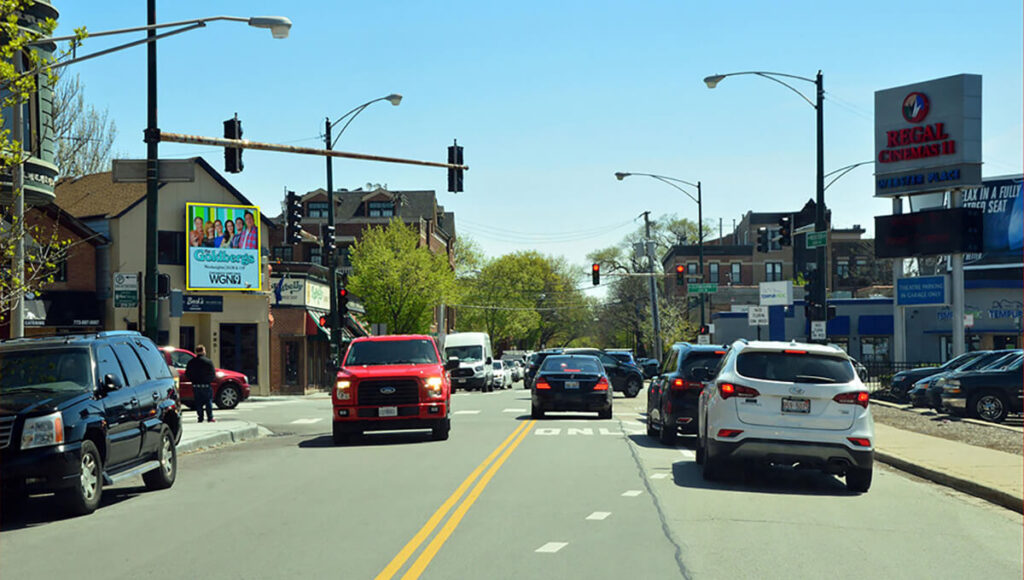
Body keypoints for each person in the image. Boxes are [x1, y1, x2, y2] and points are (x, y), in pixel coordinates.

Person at [185, 345, 217, 423]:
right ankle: (210, 417)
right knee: (208, 401)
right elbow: (213, 374)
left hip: (196, 385)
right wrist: (209, 380)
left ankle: (200, 417)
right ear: (203, 351)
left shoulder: (191, 362)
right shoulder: (208, 362)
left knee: (198, 402)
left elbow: (187, 374)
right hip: (206, 385)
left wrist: (193, 380)